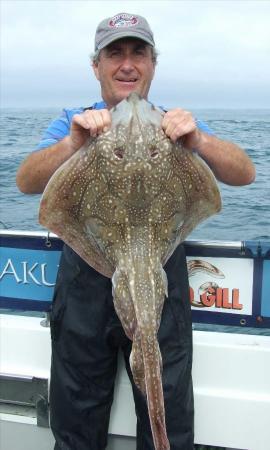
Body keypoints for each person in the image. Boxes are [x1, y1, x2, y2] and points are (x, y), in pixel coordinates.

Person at [16, 12, 255, 450]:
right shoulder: (74, 119)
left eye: (138, 53)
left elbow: (244, 173)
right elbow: (26, 181)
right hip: (85, 279)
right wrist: (74, 143)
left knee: (168, 413)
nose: (127, 64)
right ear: (97, 66)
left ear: (153, 64)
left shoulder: (172, 123)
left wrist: (197, 141)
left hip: (158, 271)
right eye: (115, 53)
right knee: (76, 419)